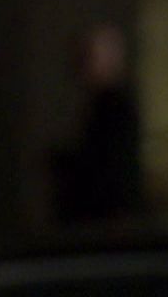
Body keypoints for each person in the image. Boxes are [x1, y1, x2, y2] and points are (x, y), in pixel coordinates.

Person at [50, 23, 145, 226]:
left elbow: (111, 166)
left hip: (104, 217)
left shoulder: (115, 107)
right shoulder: (98, 104)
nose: (80, 65)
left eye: (88, 56)